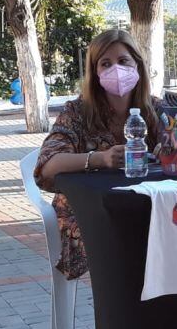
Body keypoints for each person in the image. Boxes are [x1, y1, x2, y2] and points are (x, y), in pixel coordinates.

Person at [35, 29, 162, 279]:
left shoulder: (155, 109)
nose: (116, 69)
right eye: (106, 63)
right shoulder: (78, 112)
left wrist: (168, 151)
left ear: (137, 64)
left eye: (123, 61)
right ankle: (121, 307)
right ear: (95, 72)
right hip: (91, 211)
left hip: (146, 205)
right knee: (131, 248)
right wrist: (99, 159)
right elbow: (47, 165)